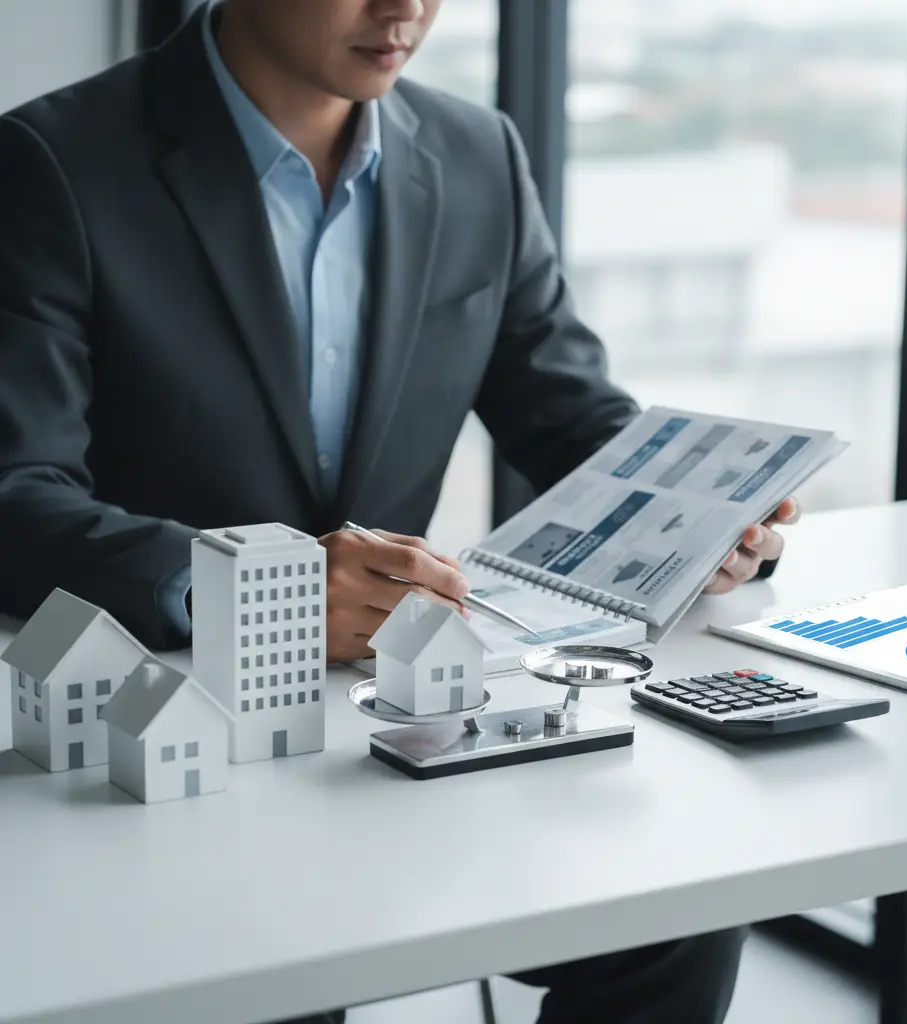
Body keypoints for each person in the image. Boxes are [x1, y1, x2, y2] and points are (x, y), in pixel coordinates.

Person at [0, 2, 800, 1021]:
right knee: (275, 979)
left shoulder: (477, 152)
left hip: (408, 714)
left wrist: (699, 518)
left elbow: (564, 414)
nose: (407, 8)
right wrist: (259, 589)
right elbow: (13, 495)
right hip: (171, 731)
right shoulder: (51, 160)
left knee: (676, 917)